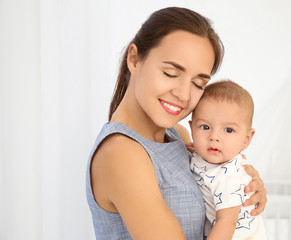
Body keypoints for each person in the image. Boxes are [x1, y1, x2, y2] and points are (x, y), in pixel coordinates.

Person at [86, 7, 267, 239]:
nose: (183, 94)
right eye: (171, 73)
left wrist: (244, 192)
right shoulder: (121, 153)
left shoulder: (178, 134)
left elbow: (213, 187)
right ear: (134, 59)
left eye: (198, 83)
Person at [189, 80, 267, 239]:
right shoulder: (200, 157)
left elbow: (226, 222)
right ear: (192, 128)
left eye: (228, 130)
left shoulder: (230, 177)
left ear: (246, 139)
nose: (214, 137)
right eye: (205, 127)